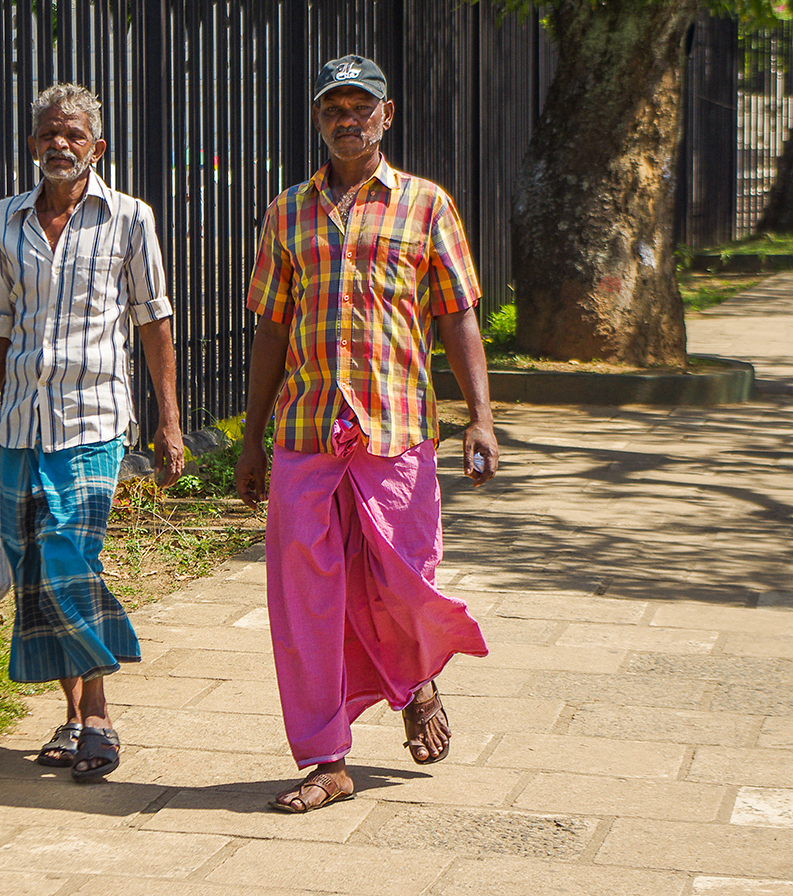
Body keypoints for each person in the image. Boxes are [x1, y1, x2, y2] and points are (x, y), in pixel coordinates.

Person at [233, 55, 499, 812]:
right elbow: (271, 331)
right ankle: (325, 758)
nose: (347, 120)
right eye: (332, 110)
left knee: (405, 582)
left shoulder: (426, 205)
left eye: (361, 108)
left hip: (398, 429)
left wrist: (480, 417)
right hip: (309, 431)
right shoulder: (288, 213)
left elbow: (457, 315)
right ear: (319, 121)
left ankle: (416, 680)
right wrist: (252, 440)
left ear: (387, 116)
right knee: (304, 601)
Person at [0, 83, 185, 782]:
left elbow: (154, 319)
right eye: (47, 134)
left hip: (94, 417)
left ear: (97, 147)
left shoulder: (129, 219)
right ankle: (71, 717)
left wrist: (171, 422)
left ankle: (99, 715)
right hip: (21, 425)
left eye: (73, 135)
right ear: (33, 145)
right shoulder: (1, 221)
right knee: (36, 569)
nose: (58, 145)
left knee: (69, 557)